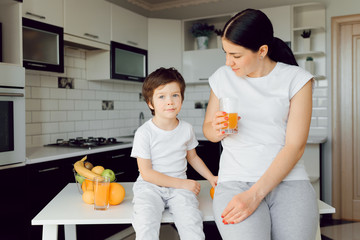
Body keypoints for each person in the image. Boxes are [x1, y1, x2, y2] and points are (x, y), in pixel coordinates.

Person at [203, 9, 318, 240]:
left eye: (235, 55)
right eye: (225, 53)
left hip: (289, 181)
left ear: (262, 51)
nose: (228, 62)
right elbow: (208, 130)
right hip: (235, 180)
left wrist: (254, 195)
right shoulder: (222, 77)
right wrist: (215, 129)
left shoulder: (297, 79)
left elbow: (294, 147)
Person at [131, 67, 218, 240]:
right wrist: (182, 183)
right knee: (146, 222)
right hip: (150, 187)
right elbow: (146, 173)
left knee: (192, 222)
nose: (169, 101)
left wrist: (211, 177)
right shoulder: (144, 133)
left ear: (182, 99)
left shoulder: (186, 129)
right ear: (150, 103)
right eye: (161, 96)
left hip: (180, 189)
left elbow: (192, 157)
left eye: (175, 95)